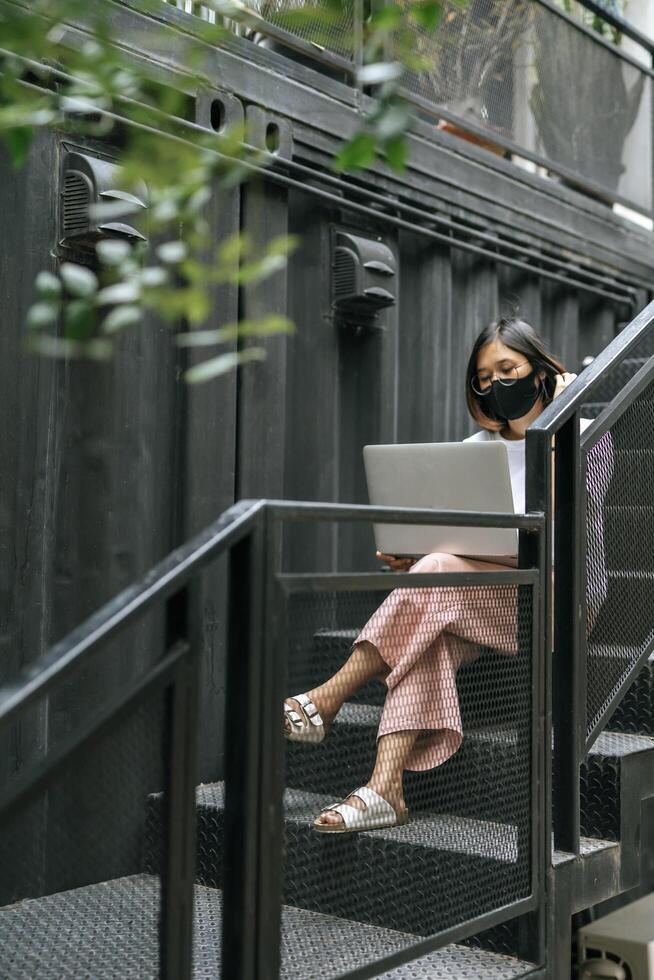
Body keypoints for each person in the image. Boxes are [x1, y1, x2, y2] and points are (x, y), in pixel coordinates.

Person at [283, 315, 590, 834]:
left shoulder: (582, 437)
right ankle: (385, 789)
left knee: (440, 571)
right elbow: (461, 545)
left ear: (541, 371)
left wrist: (559, 421)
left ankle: (329, 696)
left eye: (508, 369)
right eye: (485, 378)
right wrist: (414, 553)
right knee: (434, 603)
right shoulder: (475, 452)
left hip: (555, 602)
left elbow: (567, 543)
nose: (497, 385)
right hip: (471, 597)